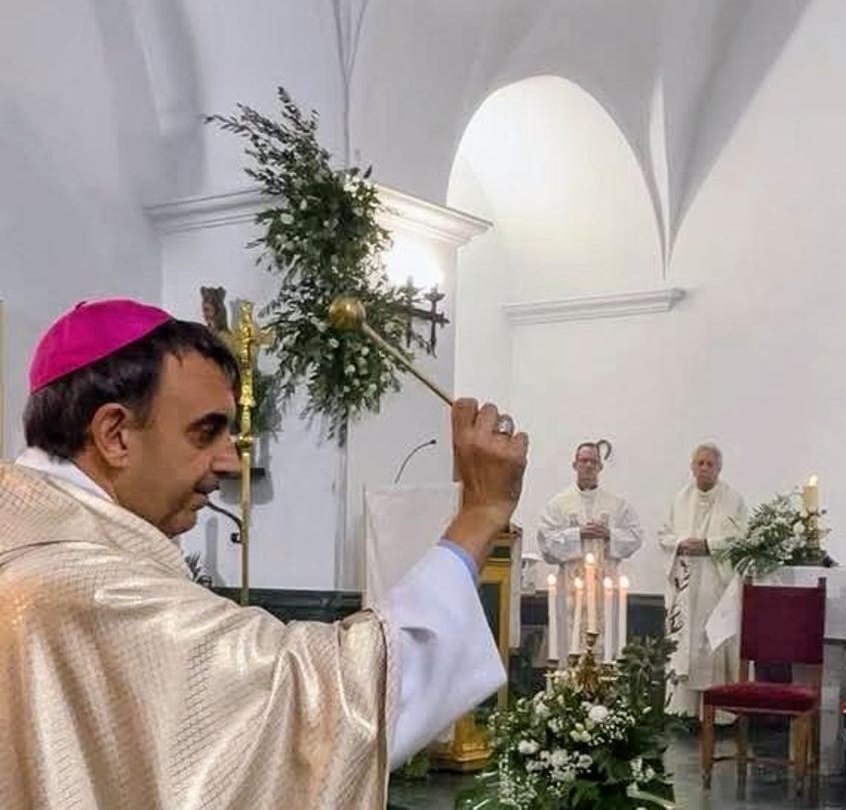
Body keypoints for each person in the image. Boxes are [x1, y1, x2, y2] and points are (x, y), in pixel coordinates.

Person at [0, 299, 527, 808]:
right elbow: (331, 702)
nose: (229, 462)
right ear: (115, 435)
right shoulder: (79, 584)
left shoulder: (32, 551)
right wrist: (481, 514)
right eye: (205, 432)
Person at [659, 443, 747, 719]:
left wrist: (709, 546)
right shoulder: (680, 498)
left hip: (714, 583)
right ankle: (681, 712)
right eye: (700, 463)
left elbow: (742, 540)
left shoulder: (734, 500)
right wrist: (680, 544)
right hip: (686, 583)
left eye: (710, 464)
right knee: (683, 644)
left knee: (712, 643)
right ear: (692, 466)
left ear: (719, 468)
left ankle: (717, 714)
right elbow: (664, 535)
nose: (704, 468)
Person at [537, 441, 641, 654]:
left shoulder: (617, 504)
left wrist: (609, 534)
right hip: (570, 589)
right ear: (574, 465)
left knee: (606, 649)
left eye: (594, 461)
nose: (589, 466)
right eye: (584, 461)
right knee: (569, 645)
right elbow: (546, 543)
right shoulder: (558, 504)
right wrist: (578, 534)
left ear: (600, 467)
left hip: (605, 588)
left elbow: (635, 537)